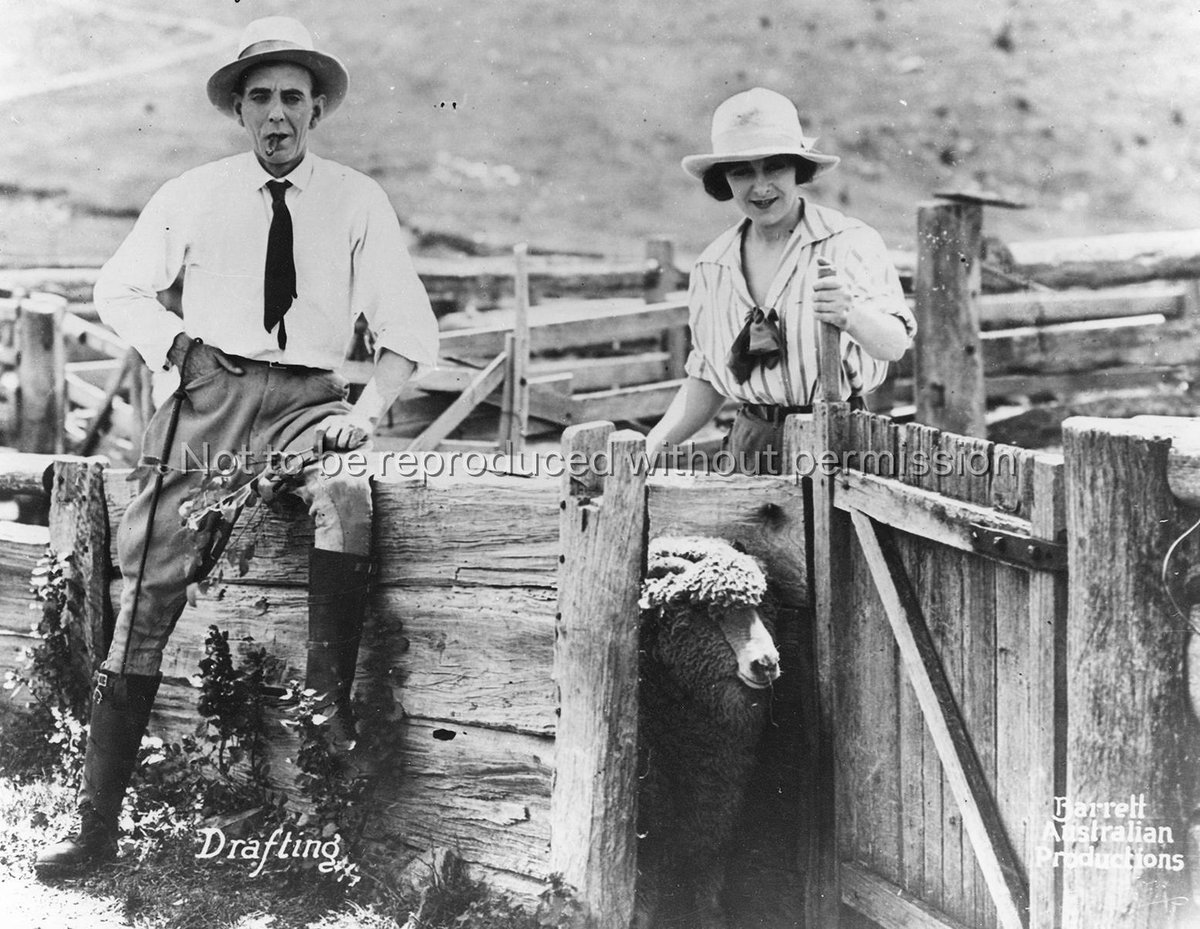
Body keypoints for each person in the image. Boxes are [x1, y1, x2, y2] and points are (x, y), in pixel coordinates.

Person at [36, 16, 438, 874]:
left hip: (307, 401)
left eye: (293, 96)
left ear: (318, 109)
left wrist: (367, 409)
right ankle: (95, 825)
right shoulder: (194, 192)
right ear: (239, 110)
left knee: (346, 495)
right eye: (260, 97)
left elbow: (408, 328)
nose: (277, 114)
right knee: (151, 584)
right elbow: (118, 286)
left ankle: (326, 701)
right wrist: (178, 348)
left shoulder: (357, 199)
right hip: (210, 399)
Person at [646, 87, 915, 474]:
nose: (760, 187)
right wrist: (648, 448)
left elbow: (894, 344)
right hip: (751, 446)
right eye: (742, 171)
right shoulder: (713, 266)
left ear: (797, 169)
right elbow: (706, 378)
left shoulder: (848, 242)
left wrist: (851, 315)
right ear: (724, 179)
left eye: (774, 167)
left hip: (839, 443)